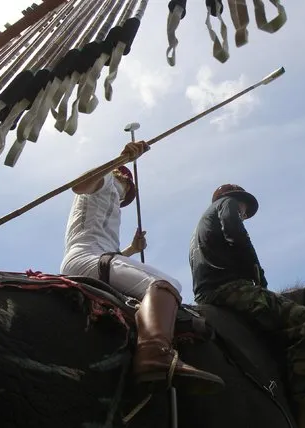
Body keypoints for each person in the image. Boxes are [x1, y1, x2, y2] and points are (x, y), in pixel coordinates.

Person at [60, 141, 224, 395]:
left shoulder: (109, 199)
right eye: (127, 190)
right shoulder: (107, 181)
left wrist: (130, 251)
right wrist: (119, 161)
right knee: (167, 286)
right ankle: (155, 355)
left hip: (92, 259)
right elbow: (79, 185)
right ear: (122, 178)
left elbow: (104, 253)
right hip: (89, 258)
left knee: (149, 295)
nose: (125, 197)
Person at [189, 184, 305, 412]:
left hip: (204, 295)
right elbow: (235, 233)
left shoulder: (197, 230)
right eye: (244, 210)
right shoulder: (227, 204)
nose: (244, 215)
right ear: (235, 200)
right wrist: (258, 275)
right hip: (229, 289)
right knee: (304, 320)